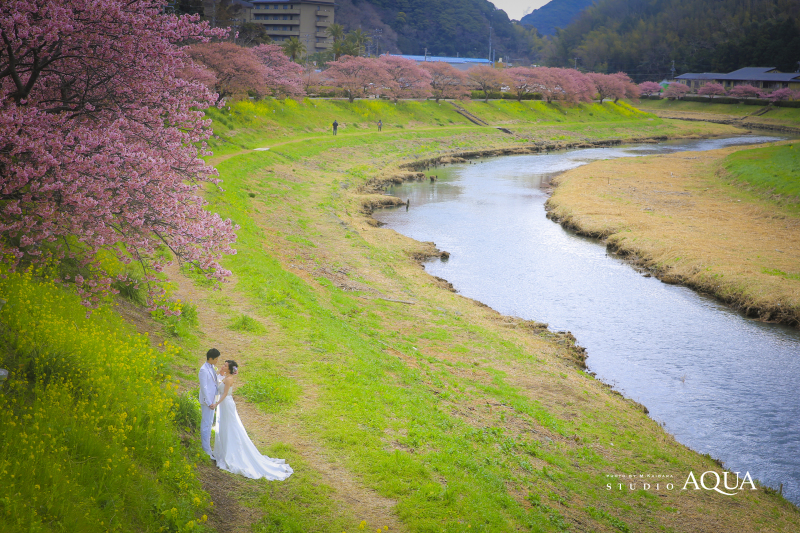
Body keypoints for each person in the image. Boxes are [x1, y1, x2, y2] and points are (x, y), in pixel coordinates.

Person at [211, 360, 294, 480]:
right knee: (224, 426)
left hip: (226, 403)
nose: (223, 366)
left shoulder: (229, 379)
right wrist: (220, 373)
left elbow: (223, 394)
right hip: (224, 404)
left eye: (225, 365)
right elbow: (218, 384)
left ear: (229, 369)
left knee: (230, 426)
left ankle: (231, 452)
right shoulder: (225, 376)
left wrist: (216, 403)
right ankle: (223, 450)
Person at [198, 348, 221, 460]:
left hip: (213, 401)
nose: (217, 360)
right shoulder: (203, 370)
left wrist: (215, 401)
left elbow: (216, 387)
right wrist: (209, 402)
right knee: (206, 424)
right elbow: (204, 387)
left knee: (209, 423)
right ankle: (205, 449)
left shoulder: (212, 368)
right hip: (207, 401)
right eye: (216, 358)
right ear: (211, 358)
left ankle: (208, 449)